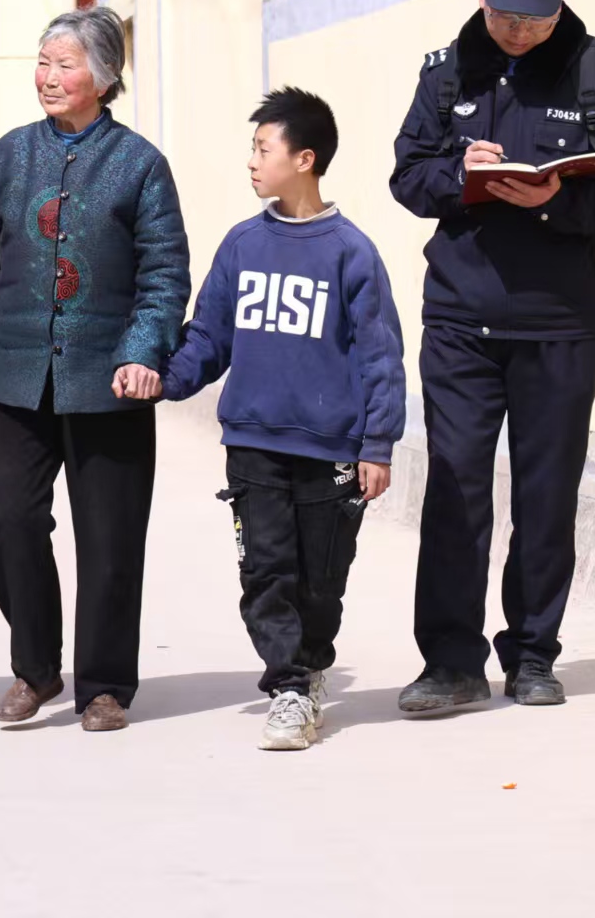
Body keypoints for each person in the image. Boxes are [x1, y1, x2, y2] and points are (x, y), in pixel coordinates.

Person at [390, 0, 595, 713]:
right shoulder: (446, 73)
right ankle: (450, 664)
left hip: (561, 325)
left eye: (534, 19)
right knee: (455, 492)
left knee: (546, 497)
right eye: (505, 14)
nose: (517, 30)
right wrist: (457, 172)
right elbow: (407, 175)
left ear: (562, 0)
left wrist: (554, 198)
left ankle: (534, 654)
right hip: (460, 322)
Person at [0, 7, 191, 734]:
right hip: (19, 377)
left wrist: (143, 351)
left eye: (66, 65)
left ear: (104, 78)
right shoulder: (7, 159)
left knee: (110, 542)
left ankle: (105, 687)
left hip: (107, 381)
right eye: (44, 62)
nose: (49, 77)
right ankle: (36, 666)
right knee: (5, 526)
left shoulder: (140, 165)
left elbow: (164, 274)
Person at [162, 88, 406, 751]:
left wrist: (377, 444)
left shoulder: (351, 252)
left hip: (330, 448)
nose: (251, 161)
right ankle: (289, 688)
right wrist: (164, 379)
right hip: (253, 442)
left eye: (262, 149)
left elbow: (380, 356)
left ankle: (311, 666)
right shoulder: (242, 244)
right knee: (266, 574)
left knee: (320, 582)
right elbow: (208, 336)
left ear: (305, 159)